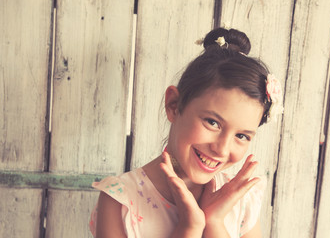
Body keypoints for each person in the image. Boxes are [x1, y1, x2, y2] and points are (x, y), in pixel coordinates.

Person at [89, 27, 283, 238]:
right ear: (174, 105)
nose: (222, 148)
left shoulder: (241, 201)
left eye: (242, 136)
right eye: (212, 122)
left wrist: (214, 223)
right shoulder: (121, 201)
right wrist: (188, 228)